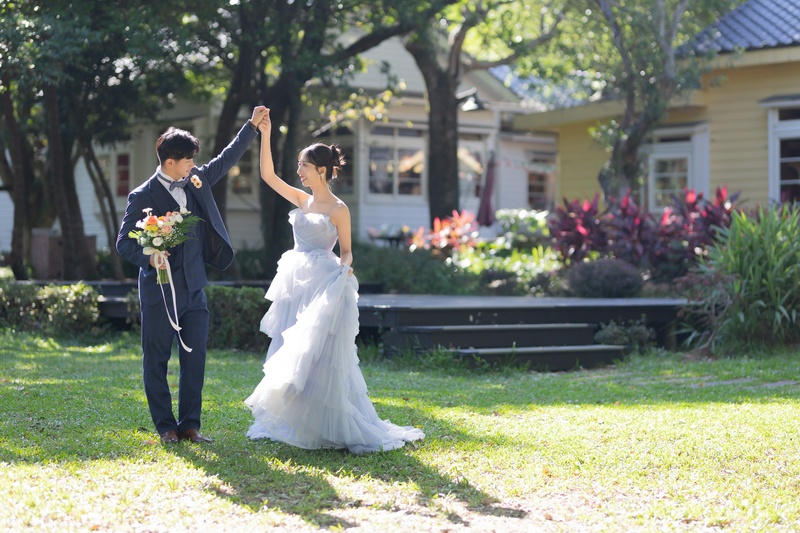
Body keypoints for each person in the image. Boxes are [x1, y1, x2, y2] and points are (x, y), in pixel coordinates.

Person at [244, 109, 424, 454]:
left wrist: (346, 269)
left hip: (322, 282)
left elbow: (347, 252)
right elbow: (267, 175)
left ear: (322, 171)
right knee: (289, 346)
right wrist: (264, 134)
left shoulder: (339, 209)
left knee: (317, 353)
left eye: (304, 166)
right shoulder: (302, 199)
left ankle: (325, 422)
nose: (299, 171)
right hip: (294, 279)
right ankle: (293, 417)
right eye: (299, 165)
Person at [117, 106, 269, 444]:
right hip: (159, 290)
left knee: (195, 358)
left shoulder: (197, 180)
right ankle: (166, 427)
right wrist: (150, 256)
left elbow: (226, 160)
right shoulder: (142, 195)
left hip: (195, 288)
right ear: (170, 161)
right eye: (188, 160)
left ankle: (189, 425)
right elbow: (124, 242)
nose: (192, 165)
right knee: (156, 359)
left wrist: (251, 126)